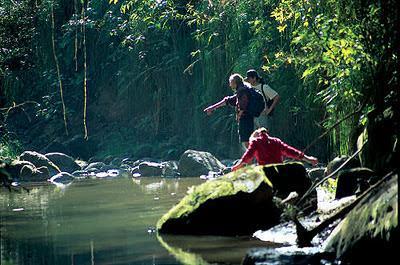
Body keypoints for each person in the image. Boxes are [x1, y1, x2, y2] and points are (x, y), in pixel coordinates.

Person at [203, 73, 254, 149]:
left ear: (234, 82)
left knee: (246, 140)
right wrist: (212, 107)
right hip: (248, 118)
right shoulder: (242, 90)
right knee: (248, 139)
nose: (230, 85)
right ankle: (254, 158)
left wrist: (239, 115)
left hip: (246, 119)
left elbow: (244, 103)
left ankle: (253, 159)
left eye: (230, 82)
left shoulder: (242, 90)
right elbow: (228, 100)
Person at [232, 127, 318, 171]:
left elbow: (248, 156)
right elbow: (291, 151)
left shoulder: (256, 142)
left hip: (265, 171)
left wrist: (237, 166)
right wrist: (308, 158)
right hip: (279, 171)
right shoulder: (276, 141)